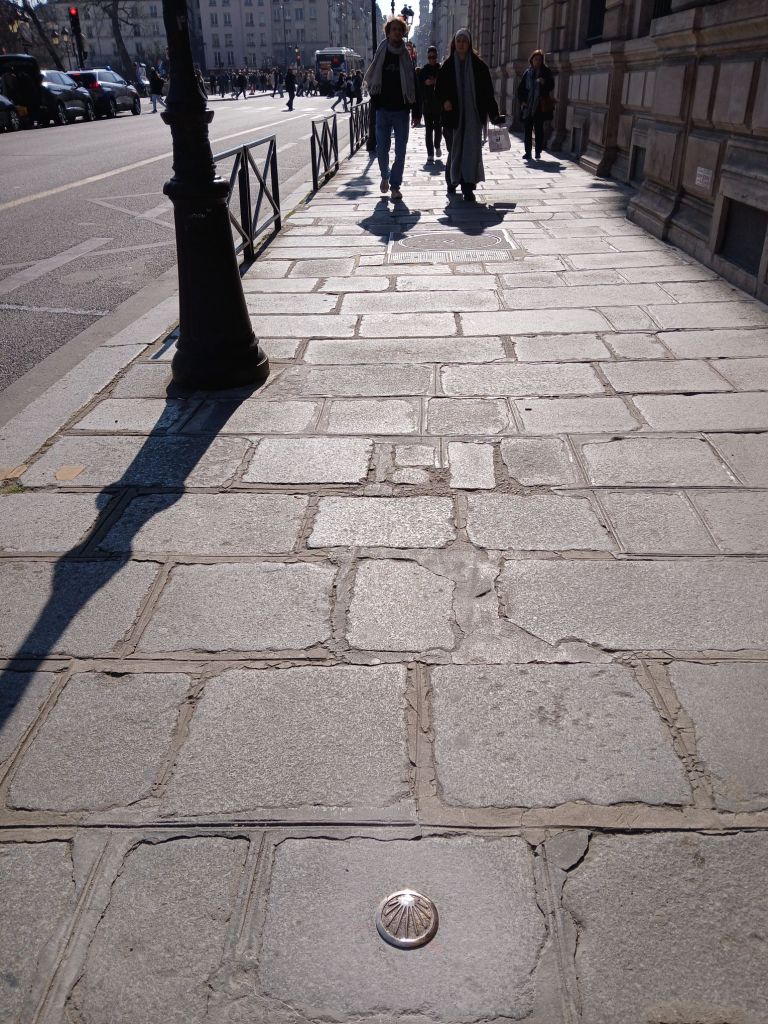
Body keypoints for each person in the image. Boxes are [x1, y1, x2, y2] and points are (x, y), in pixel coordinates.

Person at [436, 28, 500, 201]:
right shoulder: (448, 66)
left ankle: (468, 187)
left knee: (470, 151)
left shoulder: (479, 67)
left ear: (469, 44)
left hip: (473, 118)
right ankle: (451, 181)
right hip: (453, 118)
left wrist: (494, 115)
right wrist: (445, 101)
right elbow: (439, 90)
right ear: (454, 44)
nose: (461, 44)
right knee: (454, 150)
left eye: (464, 41)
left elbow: (488, 93)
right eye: (459, 41)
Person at [364, 15, 417, 202]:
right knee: (382, 149)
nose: (396, 32)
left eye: (399, 29)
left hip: (401, 111)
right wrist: (376, 101)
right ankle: (385, 175)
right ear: (388, 32)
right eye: (393, 29)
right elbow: (373, 77)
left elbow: (412, 82)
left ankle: (395, 186)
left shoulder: (406, 56)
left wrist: (415, 110)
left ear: (403, 33)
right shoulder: (381, 51)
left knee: (400, 152)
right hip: (383, 110)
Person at [517, 49, 555, 160]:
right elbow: (520, 89)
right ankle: (528, 152)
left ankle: (538, 151)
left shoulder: (546, 72)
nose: (538, 61)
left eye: (540, 59)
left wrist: (544, 82)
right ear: (532, 60)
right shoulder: (527, 72)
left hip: (539, 106)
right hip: (528, 106)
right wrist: (522, 101)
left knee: (539, 130)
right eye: (536, 59)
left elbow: (551, 85)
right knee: (527, 130)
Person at [418, 45, 442, 164]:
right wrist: (425, 83)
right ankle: (430, 154)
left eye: (434, 57)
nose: (432, 59)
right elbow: (419, 88)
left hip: (438, 105)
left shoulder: (441, 69)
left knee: (438, 129)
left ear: (436, 57)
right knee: (428, 130)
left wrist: (437, 82)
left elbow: (446, 84)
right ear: (427, 57)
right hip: (427, 105)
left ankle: (437, 145)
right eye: (430, 57)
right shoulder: (424, 70)